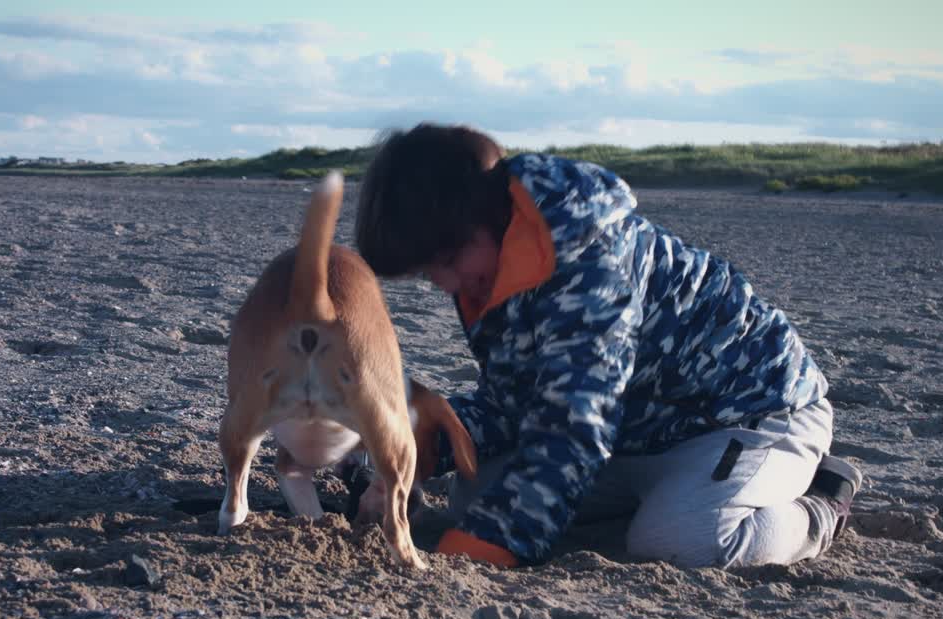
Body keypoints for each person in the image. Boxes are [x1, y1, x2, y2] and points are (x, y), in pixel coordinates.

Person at [350, 123, 861, 569]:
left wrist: (485, 550)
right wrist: (428, 440)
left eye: (446, 260)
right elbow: (517, 404)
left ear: (485, 218)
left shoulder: (593, 265)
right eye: (428, 273)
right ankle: (657, 498)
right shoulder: (498, 268)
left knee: (682, 541)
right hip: (634, 436)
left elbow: (575, 427)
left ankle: (821, 502)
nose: (444, 283)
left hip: (750, 417)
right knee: (473, 496)